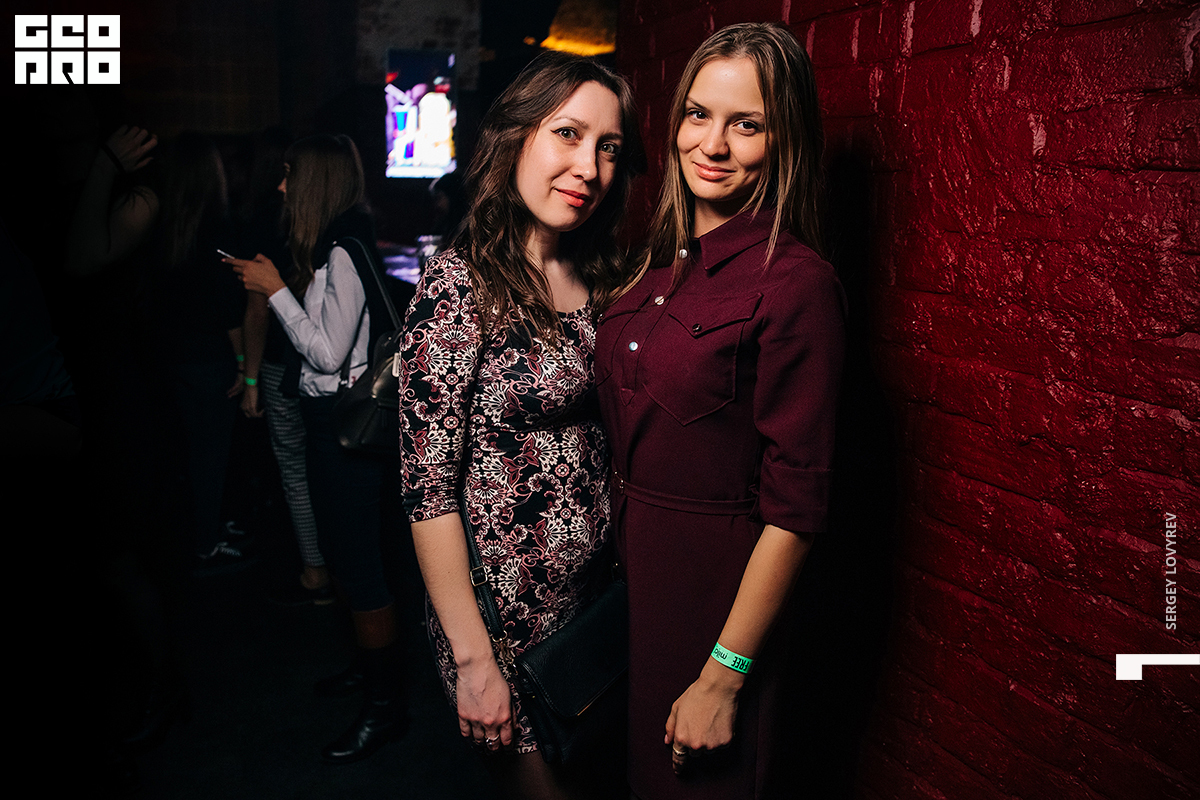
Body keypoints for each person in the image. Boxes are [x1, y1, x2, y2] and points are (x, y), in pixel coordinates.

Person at [594, 23, 846, 799]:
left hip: (713, 607)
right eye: (698, 114)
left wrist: (724, 675)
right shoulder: (654, 266)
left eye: (747, 124)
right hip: (626, 599)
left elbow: (797, 509)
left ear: (784, 139)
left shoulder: (797, 284)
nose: (712, 144)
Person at [399, 51, 644, 800]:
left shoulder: (604, 278)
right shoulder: (460, 285)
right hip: (501, 628)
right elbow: (427, 491)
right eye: (568, 133)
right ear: (516, 135)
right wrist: (474, 661)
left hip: (594, 607)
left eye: (608, 147)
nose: (589, 167)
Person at [227, 134, 405, 763]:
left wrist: (274, 289)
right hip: (329, 424)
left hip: (344, 431)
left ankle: (385, 708)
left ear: (314, 183)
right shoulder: (334, 247)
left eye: (289, 175)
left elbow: (327, 354)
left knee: (360, 566)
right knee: (347, 557)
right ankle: (366, 669)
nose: (281, 187)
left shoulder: (344, 251)